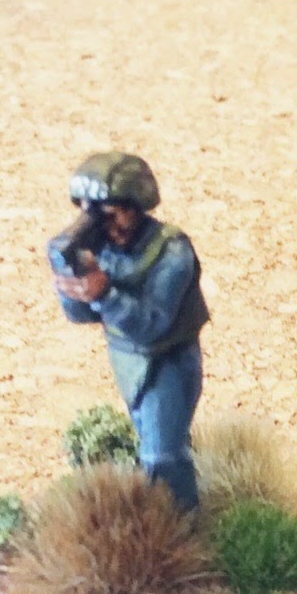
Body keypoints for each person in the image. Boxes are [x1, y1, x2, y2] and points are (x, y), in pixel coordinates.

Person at [48, 152, 209, 511]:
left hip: (167, 360)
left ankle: (182, 525)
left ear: (136, 207)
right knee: (154, 442)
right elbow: (79, 315)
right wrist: (71, 284)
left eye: (112, 212)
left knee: (162, 456)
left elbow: (152, 324)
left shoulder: (171, 250)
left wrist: (104, 294)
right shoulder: (102, 250)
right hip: (127, 363)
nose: (102, 224)